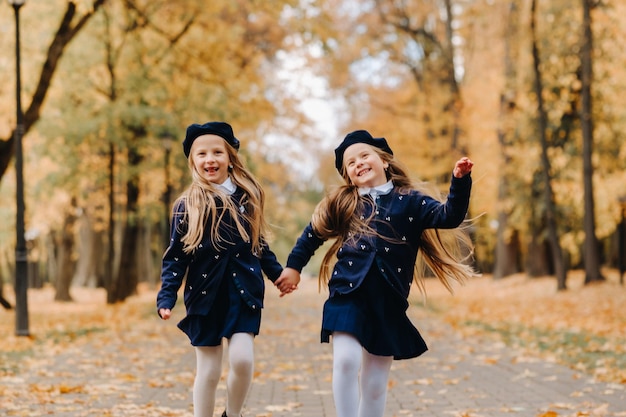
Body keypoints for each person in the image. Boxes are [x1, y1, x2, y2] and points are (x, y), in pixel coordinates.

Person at [275, 129, 476, 417]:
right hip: (347, 296)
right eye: (351, 163)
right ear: (347, 175)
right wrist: (294, 267)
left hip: (388, 303)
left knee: (374, 385)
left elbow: (449, 216)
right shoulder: (344, 203)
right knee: (345, 361)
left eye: (364, 155)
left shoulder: (411, 202)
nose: (358, 163)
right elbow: (311, 235)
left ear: (384, 161)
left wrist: (459, 181)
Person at [157, 121, 291, 417]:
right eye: (202, 154)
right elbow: (176, 257)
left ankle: (232, 413)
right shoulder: (186, 205)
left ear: (230, 158)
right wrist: (167, 296)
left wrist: (277, 274)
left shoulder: (247, 197)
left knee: (242, 360)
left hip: (243, 292)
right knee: (209, 369)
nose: (210, 159)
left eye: (217, 152)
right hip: (204, 296)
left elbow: (259, 244)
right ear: (193, 161)